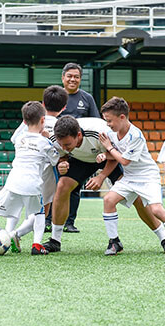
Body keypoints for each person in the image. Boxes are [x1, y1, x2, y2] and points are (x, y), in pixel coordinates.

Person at [42, 115, 165, 254]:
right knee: (62, 186)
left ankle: (164, 238)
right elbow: (61, 154)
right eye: (62, 144)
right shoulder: (56, 139)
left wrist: (101, 177)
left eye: (68, 144)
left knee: (135, 195)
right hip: (80, 160)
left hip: (107, 157)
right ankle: (55, 240)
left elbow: (114, 154)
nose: (64, 147)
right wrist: (62, 163)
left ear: (78, 135)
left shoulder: (100, 132)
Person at [97, 97, 165, 256]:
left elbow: (124, 160)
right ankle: (114, 242)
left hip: (147, 177)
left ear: (122, 117)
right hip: (129, 178)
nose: (107, 124)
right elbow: (114, 153)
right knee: (108, 200)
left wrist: (108, 147)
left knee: (156, 209)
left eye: (109, 120)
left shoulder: (135, 135)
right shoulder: (111, 133)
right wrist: (104, 154)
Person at [0, 101, 60, 256]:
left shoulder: (19, 139)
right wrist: (50, 139)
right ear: (43, 120)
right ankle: (36, 245)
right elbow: (55, 159)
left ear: (24, 121)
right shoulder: (45, 142)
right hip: (33, 185)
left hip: (13, 182)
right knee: (39, 213)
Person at [6, 85, 68, 252]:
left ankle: (7, 234)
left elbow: (14, 139)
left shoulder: (32, 119)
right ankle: (16, 235)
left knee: (16, 206)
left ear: (42, 103)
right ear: (64, 107)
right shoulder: (60, 124)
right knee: (42, 210)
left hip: (23, 170)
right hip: (46, 173)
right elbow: (63, 149)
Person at [47, 63, 100, 233]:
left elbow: (96, 122)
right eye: (69, 76)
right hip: (58, 148)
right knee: (54, 185)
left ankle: (69, 222)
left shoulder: (87, 98)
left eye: (76, 76)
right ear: (63, 77)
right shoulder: (56, 97)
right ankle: (49, 221)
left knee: (74, 186)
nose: (73, 79)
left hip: (79, 150)